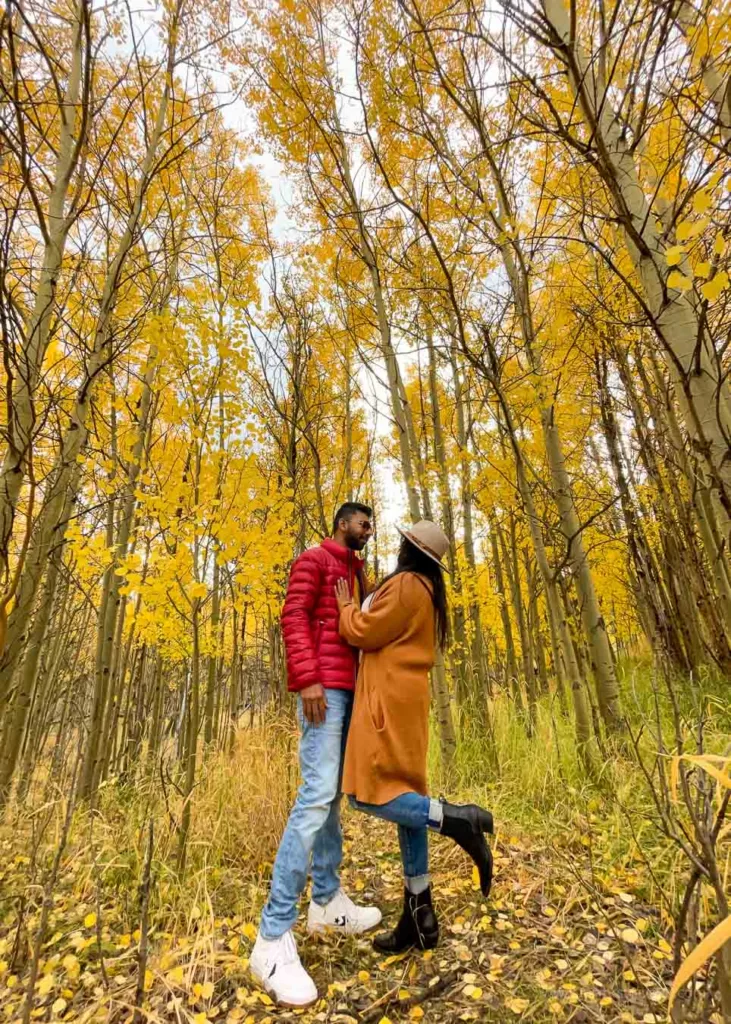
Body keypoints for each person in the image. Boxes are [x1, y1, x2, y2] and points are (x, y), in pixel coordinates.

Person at [334, 520, 494, 954]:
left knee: (366, 794)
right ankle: (420, 917)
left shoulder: (407, 584)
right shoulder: (425, 589)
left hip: (386, 698)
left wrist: (347, 607)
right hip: (404, 698)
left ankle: (459, 819)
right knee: (406, 799)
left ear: (410, 549)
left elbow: (363, 632)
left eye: (403, 543)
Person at [250, 502, 382, 1008]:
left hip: (351, 692)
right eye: (362, 522)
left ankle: (326, 902)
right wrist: (307, 678)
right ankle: (271, 938)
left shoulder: (357, 571)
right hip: (322, 691)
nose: (368, 528)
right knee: (314, 797)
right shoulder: (315, 559)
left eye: (371, 523)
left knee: (330, 798)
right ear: (341, 524)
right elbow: (293, 615)